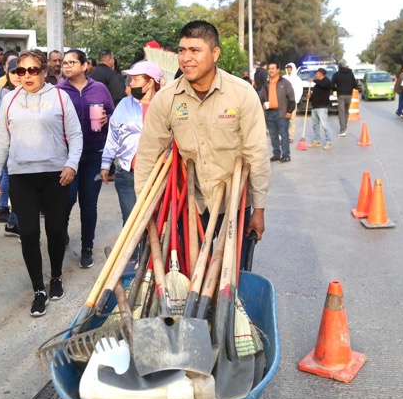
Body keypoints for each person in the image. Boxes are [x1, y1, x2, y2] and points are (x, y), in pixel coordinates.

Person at [135, 20, 270, 259]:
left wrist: (258, 209)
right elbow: (148, 156)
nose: (186, 58)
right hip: (190, 204)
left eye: (195, 50)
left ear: (215, 53)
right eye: (182, 50)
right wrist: (146, 210)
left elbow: (256, 154)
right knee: (190, 277)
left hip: (234, 204)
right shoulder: (166, 98)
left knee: (231, 276)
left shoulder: (241, 93)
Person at [0, 49, 83, 317]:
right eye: (21, 70)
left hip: (55, 175)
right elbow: (1, 139)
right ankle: (38, 289)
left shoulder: (60, 98)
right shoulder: (9, 100)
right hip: (21, 177)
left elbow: (75, 135)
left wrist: (71, 165)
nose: (26, 75)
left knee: (55, 230)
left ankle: (55, 277)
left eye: (32, 70)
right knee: (28, 233)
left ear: (44, 72)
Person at [57, 49, 114, 268]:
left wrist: (106, 117)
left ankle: (87, 248)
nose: (67, 66)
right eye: (65, 63)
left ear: (84, 66)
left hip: (94, 154)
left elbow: (113, 112)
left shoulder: (99, 89)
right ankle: (61, 236)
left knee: (89, 205)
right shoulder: (59, 91)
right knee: (67, 200)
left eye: (72, 62)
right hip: (67, 156)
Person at [100, 60, 163, 224]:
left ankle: (150, 251)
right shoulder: (124, 104)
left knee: (158, 223)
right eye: (131, 79)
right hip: (128, 174)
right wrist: (106, 164)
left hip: (159, 175)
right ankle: (134, 251)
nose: (131, 83)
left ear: (150, 83)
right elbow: (113, 135)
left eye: (136, 80)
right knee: (131, 223)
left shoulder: (165, 106)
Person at [0, 55, 21, 230]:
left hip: (16, 141)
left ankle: (10, 218)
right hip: (8, 140)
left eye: (21, 71)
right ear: (7, 72)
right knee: (11, 178)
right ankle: (5, 211)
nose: (18, 75)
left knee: (10, 177)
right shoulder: (4, 92)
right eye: (14, 72)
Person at [258, 62, 296, 163]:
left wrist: (289, 111)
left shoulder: (285, 83)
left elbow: (291, 98)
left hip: (282, 113)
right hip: (270, 113)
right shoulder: (266, 85)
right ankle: (276, 154)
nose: (271, 70)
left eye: (273, 68)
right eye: (269, 69)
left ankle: (286, 155)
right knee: (273, 135)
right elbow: (261, 97)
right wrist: (263, 103)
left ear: (278, 70)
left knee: (284, 135)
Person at [329, 60, 357, 136]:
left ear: (339, 66)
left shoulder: (336, 74)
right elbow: (355, 84)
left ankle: (342, 130)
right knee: (346, 111)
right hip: (349, 95)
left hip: (340, 95)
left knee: (341, 112)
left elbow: (331, 86)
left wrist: (336, 89)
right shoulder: (350, 74)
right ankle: (344, 127)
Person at [309, 68, 334, 149]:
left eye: (316, 73)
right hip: (315, 106)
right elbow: (315, 95)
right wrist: (310, 97)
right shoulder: (317, 85)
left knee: (325, 125)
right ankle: (316, 140)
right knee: (315, 125)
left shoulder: (326, 81)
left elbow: (323, 85)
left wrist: (314, 80)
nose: (315, 75)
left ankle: (329, 142)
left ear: (321, 74)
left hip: (322, 107)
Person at [284, 62, 303, 143]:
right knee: (283, 119)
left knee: (292, 119)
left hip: (292, 101)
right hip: (284, 102)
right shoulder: (283, 78)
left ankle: (291, 136)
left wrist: (297, 100)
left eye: (290, 69)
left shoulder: (297, 79)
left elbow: (300, 90)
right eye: (287, 69)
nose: (289, 71)